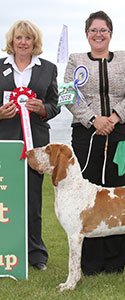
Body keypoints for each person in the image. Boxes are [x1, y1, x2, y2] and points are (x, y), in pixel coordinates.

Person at [64, 10, 125, 276]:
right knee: (90, 198)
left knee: (118, 194)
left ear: (111, 33)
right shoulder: (75, 61)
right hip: (87, 134)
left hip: (121, 134)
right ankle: (91, 263)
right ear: (87, 34)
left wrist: (115, 117)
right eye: (93, 30)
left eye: (103, 30)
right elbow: (68, 96)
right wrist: (94, 119)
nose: (99, 35)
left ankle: (115, 263)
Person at [0, 20, 60, 270]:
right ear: (11, 41)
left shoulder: (48, 68)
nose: (23, 42)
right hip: (5, 141)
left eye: (28, 38)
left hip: (36, 143)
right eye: (19, 38)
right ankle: (6, 252)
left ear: (35, 42)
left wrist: (42, 109)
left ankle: (36, 255)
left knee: (33, 200)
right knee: (5, 198)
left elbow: (55, 105)